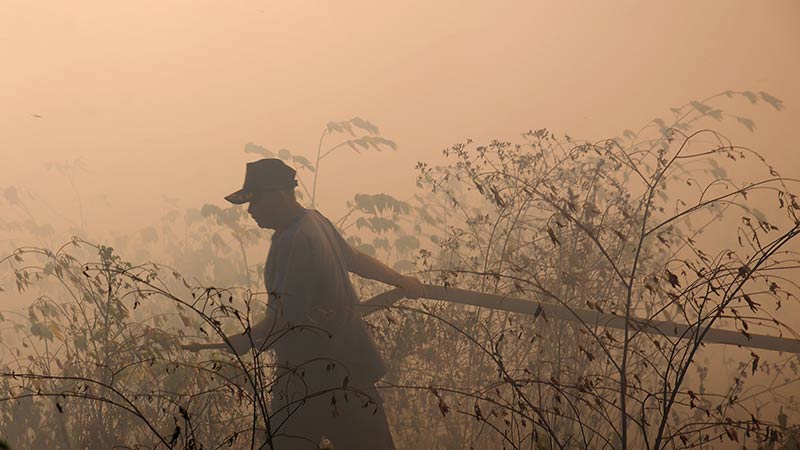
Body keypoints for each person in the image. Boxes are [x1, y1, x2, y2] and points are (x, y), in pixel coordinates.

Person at [219, 158, 424, 449]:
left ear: (277, 196)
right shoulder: (314, 220)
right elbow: (354, 259)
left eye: (255, 201)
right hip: (350, 368)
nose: (250, 211)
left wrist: (246, 339)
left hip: (309, 377)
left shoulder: (292, 241)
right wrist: (401, 280)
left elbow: (286, 317)